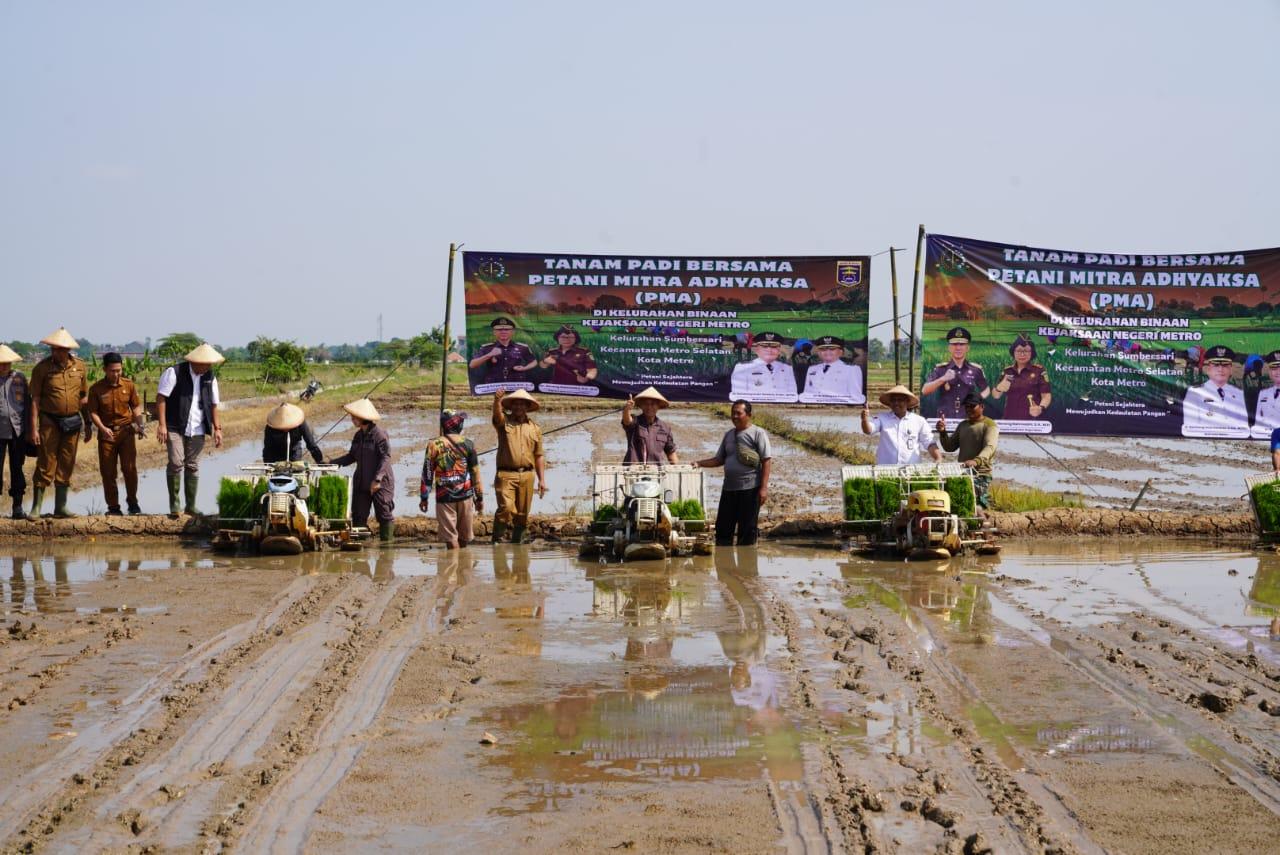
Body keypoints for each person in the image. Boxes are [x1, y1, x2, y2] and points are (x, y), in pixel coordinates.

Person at [27, 328, 90, 520]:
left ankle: (60, 507)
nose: (56, 352)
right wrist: (34, 428)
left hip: (72, 422)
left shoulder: (80, 367)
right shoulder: (42, 368)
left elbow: (84, 397)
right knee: (46, 462)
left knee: (67, 462)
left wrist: (88, 423)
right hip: (49, 422)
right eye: (54, 349)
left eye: (60, 349)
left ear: (68, 349)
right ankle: (36, 507)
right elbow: (35, 400)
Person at [156, 343, 224, 518]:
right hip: (174, 426)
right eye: (206, 364)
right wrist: (162, 425)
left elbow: (214, 404)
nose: (208, 367)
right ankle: (175, 505)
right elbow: (161, 398)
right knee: (176, 462)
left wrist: (217, 428)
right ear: (196, 361)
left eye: (210, 364)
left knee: (192, 465)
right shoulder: (175, 372)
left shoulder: (210, 377)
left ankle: (191, 507)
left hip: (198, 426)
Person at [697, 399, 771, 546]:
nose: (735, 416)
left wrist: (763, 488)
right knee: (723, 530)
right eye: (733, 413)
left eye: (739, 413)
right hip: (729, 489)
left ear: (749, 415)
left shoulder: (758, 433)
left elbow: (766, 461)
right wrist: (698, 463)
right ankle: (725, 563)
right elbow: (719, 459)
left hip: (750, 489)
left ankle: (747, 564)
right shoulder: (729, 435)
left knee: (747, 532)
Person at [86, 352, 144, 516]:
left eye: (119, 370)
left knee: (130, 468)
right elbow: (93, 412)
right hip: (107, 435)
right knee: (108, 472)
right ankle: (113, 507)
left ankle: (132, 502)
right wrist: (102, 428)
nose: (116, 374)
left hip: (126, 433)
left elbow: (136, 406)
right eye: (112, 371)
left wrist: (140, 425)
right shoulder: (96, 389)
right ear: (105, 369)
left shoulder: (129, 385)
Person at [331, 398, 395, 542]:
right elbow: (351, 456)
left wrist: (377, 479)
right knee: (358, 516)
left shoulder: (379, 435)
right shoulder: (358, 436)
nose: (352, 419)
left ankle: (386, 552)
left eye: (354, 416)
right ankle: (361, 552)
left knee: (384, 514)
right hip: (361, 482)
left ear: (363, 418)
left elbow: (386, 457)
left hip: (381, 483)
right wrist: (332, 463)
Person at [420, 408, 482, 549]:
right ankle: (463, 567)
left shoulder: (433, 445)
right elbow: (475, 474)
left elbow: (427, 473)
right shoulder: (468, 444)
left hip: (444, 497)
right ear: (458, 426)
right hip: (465, 495)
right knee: (464, 536)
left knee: (450, 538)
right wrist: (480, 498)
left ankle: (453, 566)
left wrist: (424, 497)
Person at [491, 389, 546, 544]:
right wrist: (496, 401)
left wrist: (542, 480)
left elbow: (539, 455)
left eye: (522, 404)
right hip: (506, 475)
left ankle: (518, 545)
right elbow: (496, 417)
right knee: (506, 509)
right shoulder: (504, 423)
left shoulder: (535, 428)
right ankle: (497, 540)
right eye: (515, 404)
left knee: (522, 515)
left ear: (527, 407)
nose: (518, 407)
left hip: (528, 475)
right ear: (511, 406)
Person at [936, 391, 999, 512]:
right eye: (967, 406)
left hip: (980, 474)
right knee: (958, 503)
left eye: (972, 406)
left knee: (977, 507)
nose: (969, 409)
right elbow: (949, 447)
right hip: (963, 472)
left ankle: (984, 526)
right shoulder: (963, 425)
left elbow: (990, 447)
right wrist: (943, 432)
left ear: (982, 406)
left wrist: (976, 461)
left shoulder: (989, 425)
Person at [860, 384, 941, 464]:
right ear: (890, 403)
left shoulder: (919, 421)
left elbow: (929, 443)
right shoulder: (882, 418)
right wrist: (864, 419)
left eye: (900, 400)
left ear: (907, 401)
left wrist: (938, 458)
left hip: (912, 470)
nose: (896, 403)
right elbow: (868, 430)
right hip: (885, 470)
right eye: (893, 400)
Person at [1181, 345, 1249, 438]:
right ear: (1208, 369)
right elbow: (1190, 427)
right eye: (1216, 365)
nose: (1220, 369)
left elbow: (1243, 427)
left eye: (1225, 365)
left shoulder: (1238, 394)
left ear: (1230, 370)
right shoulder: (1194, 393)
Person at [921, 327, 989, 419]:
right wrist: (943, 379)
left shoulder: (976, 369)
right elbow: (925, 390)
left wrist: (977, 399)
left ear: (967, 348)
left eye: (962, 344)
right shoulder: (940, 369)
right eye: (954, 344)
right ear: (949, 348)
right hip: (945, 418)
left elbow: (986, 389)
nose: (958, 348)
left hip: (967, 417)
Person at [0, 344, 30, 519]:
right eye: (1, 363)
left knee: (17, 468)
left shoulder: (20, 378)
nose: (4, 366)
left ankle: (17, 507)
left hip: (18, 431)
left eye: (7, 362)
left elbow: (27, 404)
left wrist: (30, 430)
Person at [990, 335, 1051, 421]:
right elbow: (996, 396)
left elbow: (1046, 396)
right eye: (1018, 351)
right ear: (1013, 352)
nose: (1022, 354)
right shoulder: (1007, 371)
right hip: (1009, 420)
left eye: (1026, 351)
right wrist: (999, 388)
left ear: (1032, 353)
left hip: (1031, 419)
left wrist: (1040, 408)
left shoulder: (1039, 371)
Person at [729, 332, 798, 402]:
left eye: (774, 346)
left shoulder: (787, 369)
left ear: (779, 349)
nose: (769, 350)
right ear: (756, 349)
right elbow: (738, 398)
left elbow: (792, 396)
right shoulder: (742, 368)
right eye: (764, 346)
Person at [469, 317, 537, 387]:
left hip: (516, 384)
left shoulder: (522, 347)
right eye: (499, 329)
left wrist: (524, 368)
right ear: (494, 332)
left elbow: (534, 362)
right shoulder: (487, 348)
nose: (503, 332)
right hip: (494, 386)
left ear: (512, 332)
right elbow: (472, 364)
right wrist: (489, 354)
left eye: (507, 329)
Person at [799, 335, 866, 404]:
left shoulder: (852, 370)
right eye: (823, 349)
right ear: (818, 353)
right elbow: (807, 394)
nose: (827, 352)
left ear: (840, 352)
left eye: (832, 349)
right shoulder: (812, 369)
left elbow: (856, 397)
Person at [621, 386, 678, 464]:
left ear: (658, 406)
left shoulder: (665, 428)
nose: (649, 407)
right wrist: (627, 409)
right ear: (641, 406)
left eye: (653, 404)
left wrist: (678, 469)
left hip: (657, 472)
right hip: (634, 471)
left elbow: (670, 451)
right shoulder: (635, 422)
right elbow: (627, 421)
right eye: (646, 404)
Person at [1252, 351, 1280, 439]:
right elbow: (1257, 419)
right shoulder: (1263, 393)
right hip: (1264, 438)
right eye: (1274, 368)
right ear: (1270, 372)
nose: (1278, 372)